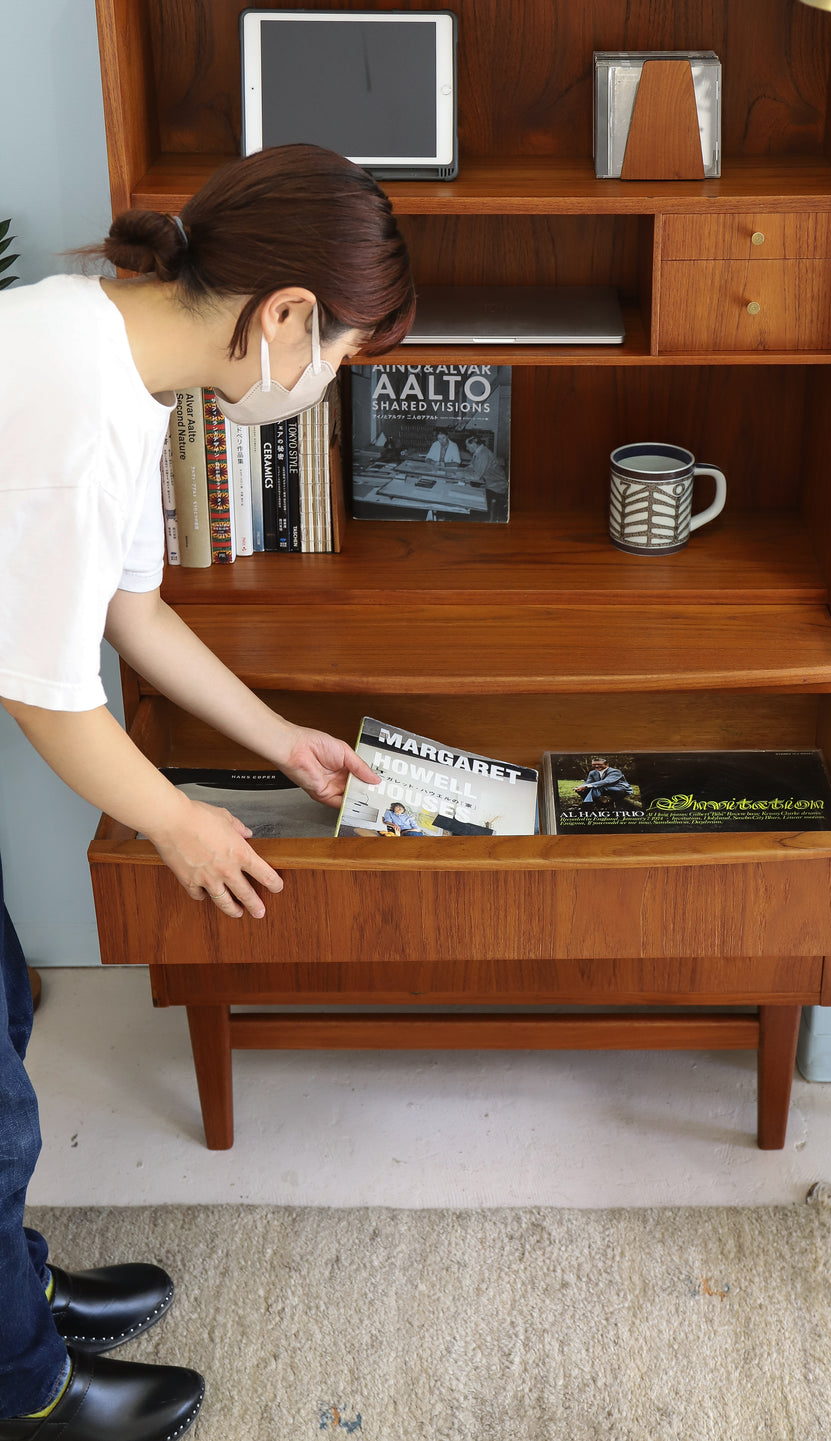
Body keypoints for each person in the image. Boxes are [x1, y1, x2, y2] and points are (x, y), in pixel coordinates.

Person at [0, 143, 413, 1440]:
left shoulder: (118, 357)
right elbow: (45, 691)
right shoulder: (73, 393)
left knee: (4, 1008)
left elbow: (131, 609)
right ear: (287, 314)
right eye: (342, 353)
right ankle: (28, 1391)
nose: (328, 381)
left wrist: (278, 738)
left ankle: (16, 1299)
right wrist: (178, 821)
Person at [463, 432, 508, 521]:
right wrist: (460, 470)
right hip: (489, 483)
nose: (466, 448)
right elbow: (472, 466)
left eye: (467, 445)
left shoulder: (483, 454)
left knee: (469, 500)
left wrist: (461, 475)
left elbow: (476, 477)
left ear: (474, 444)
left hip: (496, 488)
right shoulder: (479, 451)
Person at [573, 757, 638, 806]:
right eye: (594, 764)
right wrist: (580, 787)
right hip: (605, 788)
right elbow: (588, 782)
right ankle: (597, 804)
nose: (596, 766)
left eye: (599, 764)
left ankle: (587, 804)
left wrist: (586, 786)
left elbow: (606, 781)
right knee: (583, 789)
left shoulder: (615, 771)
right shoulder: (592, 772)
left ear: (607, 764)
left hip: (621, 789)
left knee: (596, 788)